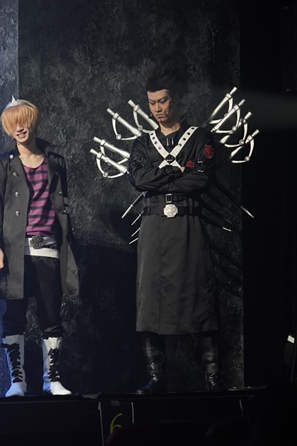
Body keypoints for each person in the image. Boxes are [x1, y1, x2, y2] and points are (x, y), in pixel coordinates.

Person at [127, 65, 224, 394]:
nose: (158, 108)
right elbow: (138, 180)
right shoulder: (142, 143)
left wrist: (161, 176)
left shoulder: (199, 137)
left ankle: (213, 378)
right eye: (152, 102)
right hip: (154, 226)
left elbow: (202, 179)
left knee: (201, 296)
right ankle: (157, 378)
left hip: (187, 223)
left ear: (176, 99)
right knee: (149, 300)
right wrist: (176, 169)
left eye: (163, 101)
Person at [0, 98, 79, 397]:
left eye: (23, 121)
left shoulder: (55, 162)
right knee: (15, 316)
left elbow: (62, 208)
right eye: (13, 124)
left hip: (48, 248)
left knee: (51, 315)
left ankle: (53, 379)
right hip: (14, 252)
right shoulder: (2, 164)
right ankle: (17, 381)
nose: (19, 128)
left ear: (33, 122)